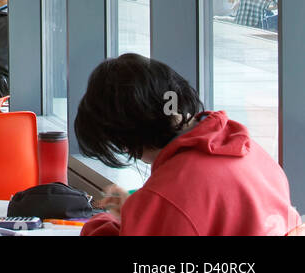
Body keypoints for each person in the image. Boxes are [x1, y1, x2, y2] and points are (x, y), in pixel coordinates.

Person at [75, 53, 295, 236]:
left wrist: (104, 223)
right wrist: (141, 213)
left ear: (126, 135)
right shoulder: (248, 150)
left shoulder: (172, 192)